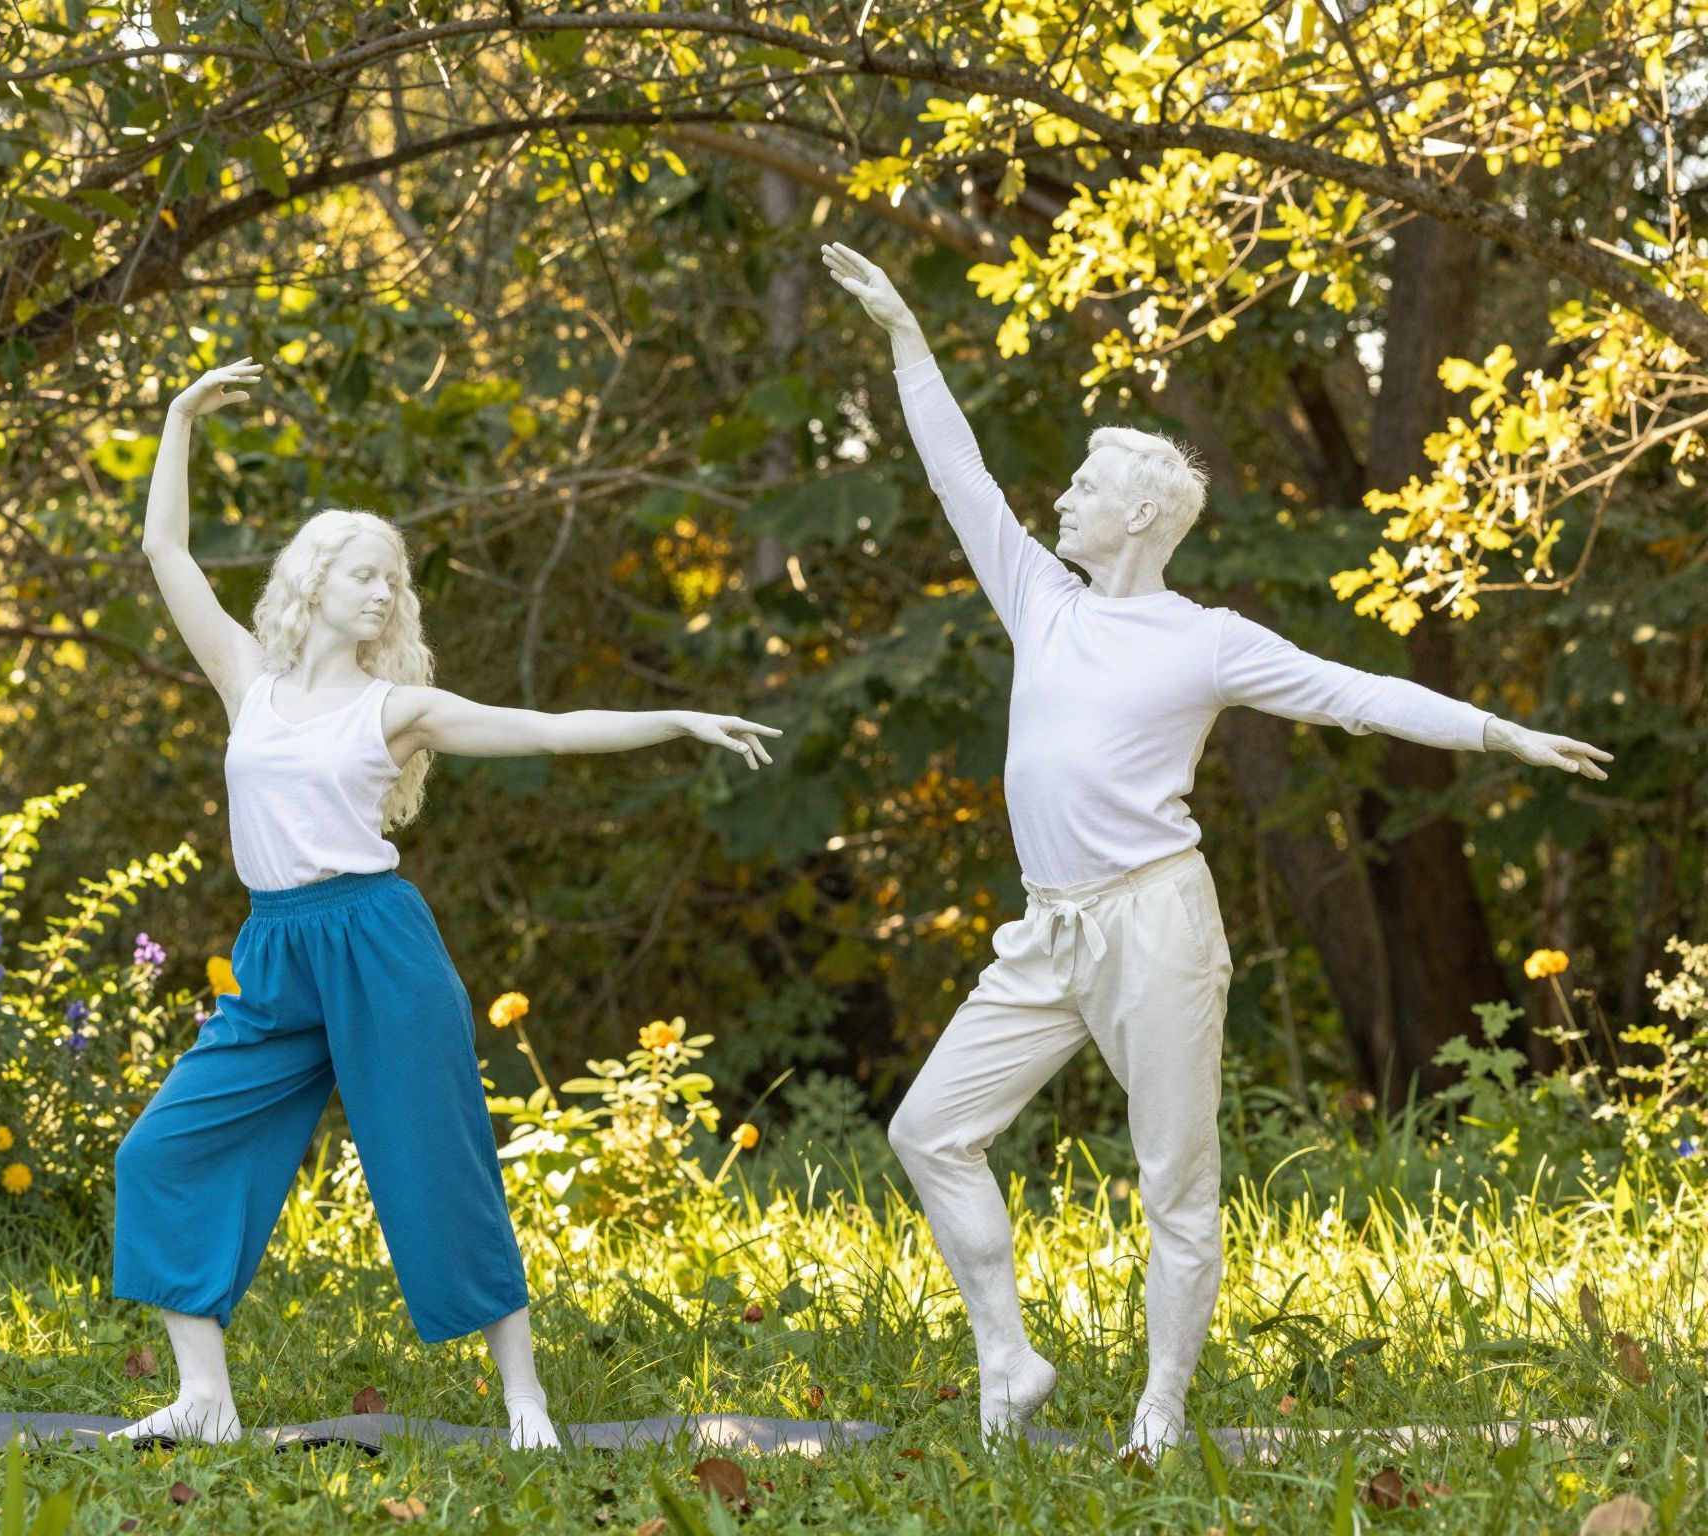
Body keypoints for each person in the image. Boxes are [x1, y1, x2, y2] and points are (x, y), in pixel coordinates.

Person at [819, 241, 1612, 1458]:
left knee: (1174, 1182)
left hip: (1155, 924)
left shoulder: (1205, 638)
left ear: (1140, 513)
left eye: (1083, 487)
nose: (1061, 502)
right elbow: (956, 477)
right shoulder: (1040, 599)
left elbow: (1353, 692)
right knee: (927, 1130)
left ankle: (1159, 1416)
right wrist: (905, 340)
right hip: (1050, 927)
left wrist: (1500, 732)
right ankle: (1007, 1365)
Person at [109, 357, 781, 1447]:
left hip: (376, 944)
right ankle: (204, 1397)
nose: (383, 591)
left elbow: (550, 730)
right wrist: (180, 414)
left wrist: (678, 719)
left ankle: (525, 1397)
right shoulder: (248, 679)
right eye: (366, 572)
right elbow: (164, 550)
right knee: (165, 1150)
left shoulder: (397, 708)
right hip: (277, 950)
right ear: (315, 579)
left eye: (394, 579)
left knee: (436, 1160)